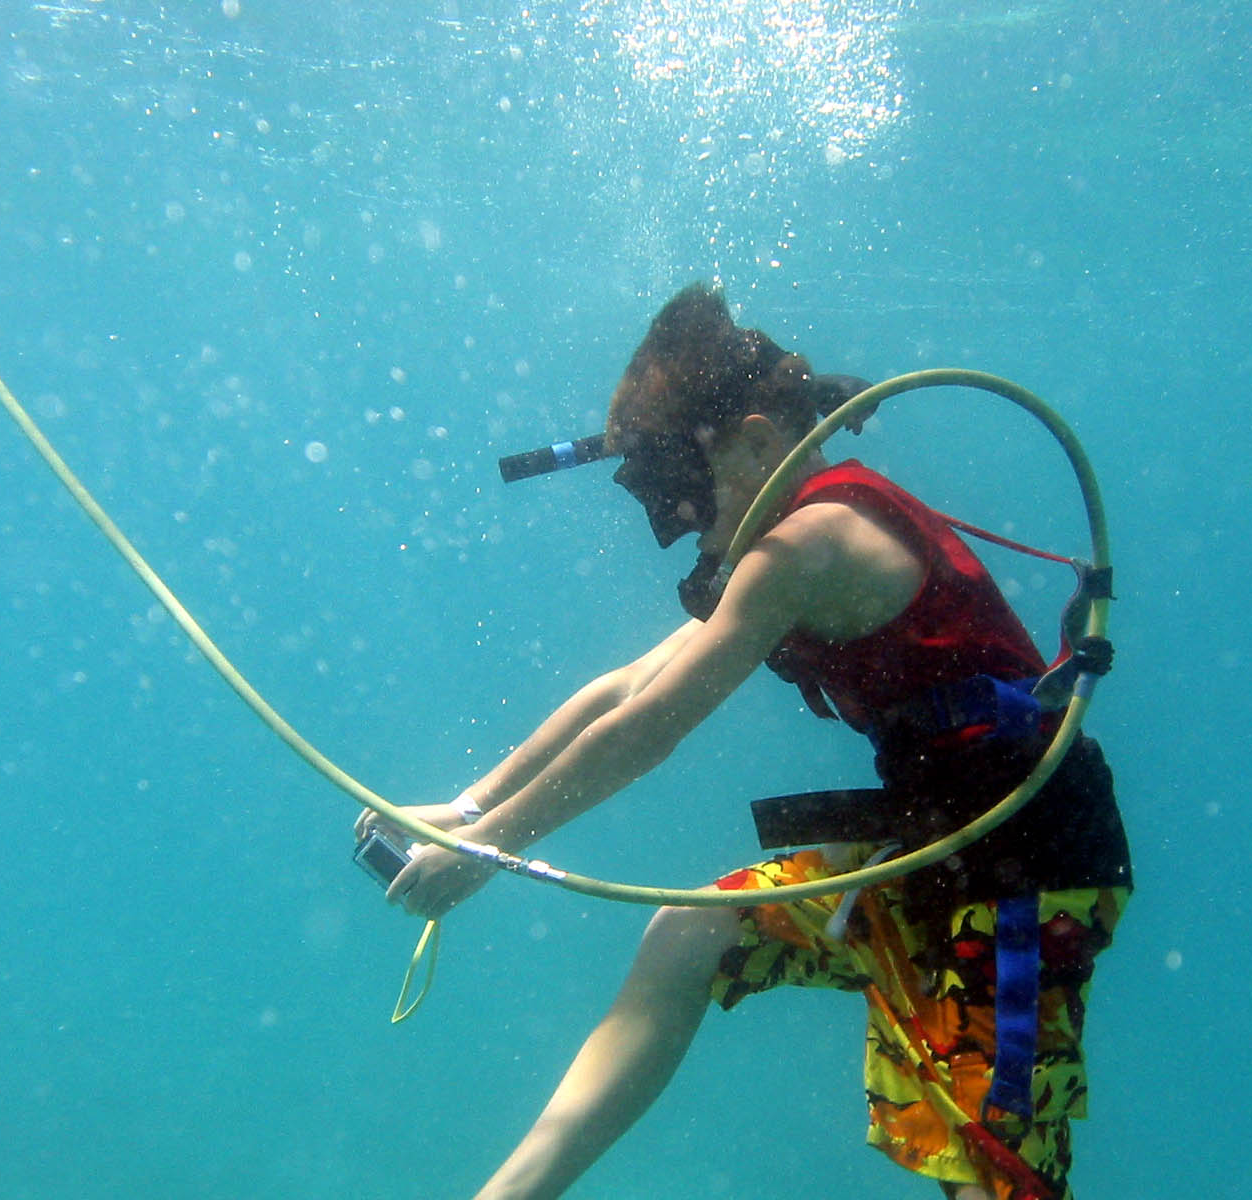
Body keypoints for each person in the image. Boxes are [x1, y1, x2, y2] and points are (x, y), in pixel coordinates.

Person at [356, 284, 1132, 1199]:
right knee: (691, 934)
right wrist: (471, 807)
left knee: (995, 1169)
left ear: (763, 444)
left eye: (682, 493)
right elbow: (623, 687)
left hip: (1023, 872)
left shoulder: (803, 550)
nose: (678, 524)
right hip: (926, 848)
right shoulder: (788, 540)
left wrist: (489, 852)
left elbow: (648, 727)